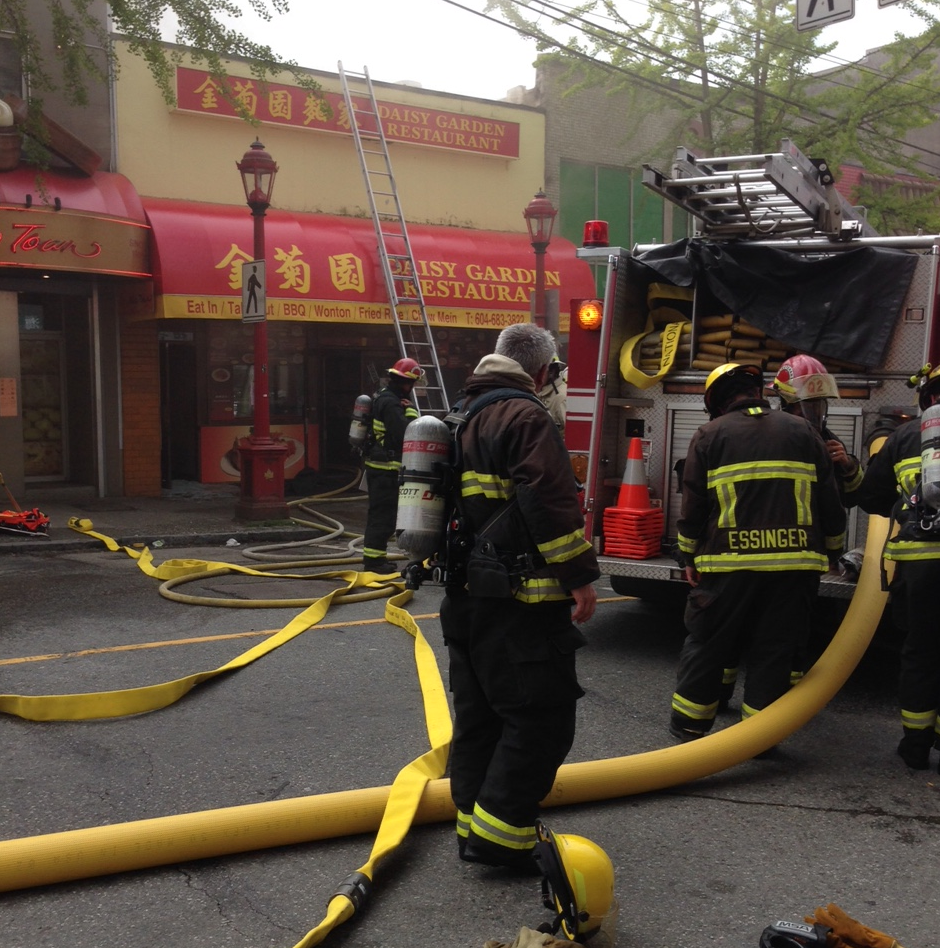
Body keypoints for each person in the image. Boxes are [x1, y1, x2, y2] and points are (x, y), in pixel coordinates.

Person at [440, 322, 600, 873]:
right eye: (555, 373)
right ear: (542, 371)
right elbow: (550, 502)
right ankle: (502, 839)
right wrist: (579, 575)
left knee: (480, 716)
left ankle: (473, 825)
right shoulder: (525, 416)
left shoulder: (459, 414)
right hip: (520, 600)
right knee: (541, 718)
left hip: (465, 599)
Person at [670, 362, 846, 741]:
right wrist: (833, 550)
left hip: (727, 564)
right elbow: (829, 501)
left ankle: (689, 726)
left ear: (715, 401)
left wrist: (688, 557)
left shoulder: (709, 434)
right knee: (775, 649)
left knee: (709, 640)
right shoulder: (804, 431)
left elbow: (694, 505)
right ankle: (758, 739)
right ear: (759, 392)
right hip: (794, 566)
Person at [850, 364, 940, 771]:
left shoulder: (905, 437)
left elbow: (869, 498)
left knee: (921, 652)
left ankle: (916, 746)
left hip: (920, 567)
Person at [771, 354, 863, 501]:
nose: (813, 413)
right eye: (805, 406)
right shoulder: (770, 440)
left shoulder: (829, 442)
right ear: (785, 405)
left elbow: (851, 498)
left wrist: (849, 468)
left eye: (817, 405)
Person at [361, 357, 423, 573]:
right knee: (384, 516)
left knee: (380, 513)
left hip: (380, 467)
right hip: (385, 469)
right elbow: (404, 434)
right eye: (411, 383)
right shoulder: (391, 403)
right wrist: (412, 412)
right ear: (405, 382)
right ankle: (374, 562)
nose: (411, 388)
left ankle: (374, 558)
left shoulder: (385, 397)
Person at [538, 353, 568, 433]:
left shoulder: (561, 398)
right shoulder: (541, 393)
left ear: (552, 372)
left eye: (540, 371)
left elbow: (574, 433)